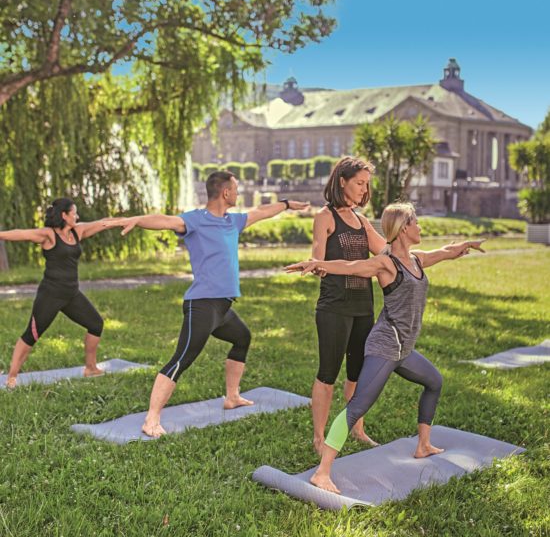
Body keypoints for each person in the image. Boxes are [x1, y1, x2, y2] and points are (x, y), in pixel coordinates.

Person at [285, 202, 485, 493]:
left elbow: (443, 253)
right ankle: (322, 472)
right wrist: (318, 264)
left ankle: (424, 445)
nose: (420, 227)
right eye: (415, 222)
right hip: (385, 346)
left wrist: (464, 245)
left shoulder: (415, 260)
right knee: (356, 408)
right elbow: (351, 266)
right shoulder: (387, 263)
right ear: (404, 228)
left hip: (403, 348)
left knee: (434, 381)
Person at [112, 170, 308, 438]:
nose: (238, 194)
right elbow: (166, 221)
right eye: (236, 189)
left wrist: (286, 205)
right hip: (202, 305)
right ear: (225, 193)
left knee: (242, 338)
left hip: (222, 308)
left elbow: (262, 211)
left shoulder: (233, 221)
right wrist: (137, 220)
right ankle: (151, 419)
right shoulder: (195, 220)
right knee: (181, 359)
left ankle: (232, 396)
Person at [0, 198, 120, 388]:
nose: (77, 216)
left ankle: (90, 368)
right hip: (50, 295)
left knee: (96, 324)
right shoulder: (49, 235)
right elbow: (22, 233)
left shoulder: (77, 231)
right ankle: (12, 377)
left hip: (72, 294)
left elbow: (101, 223)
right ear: (64, 215)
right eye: (74, 213)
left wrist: (125, 221)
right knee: (31, 335)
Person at [311, 156, 386, 454]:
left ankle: (357, 428)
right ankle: (319, 438)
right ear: (342, 181)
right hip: (334, 307)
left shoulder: (361, 221)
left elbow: (387, 252)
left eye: (366, 184)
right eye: (359, 183)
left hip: (362, 308)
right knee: (328, 373)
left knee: (357, 373)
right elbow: (318, 255)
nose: (363, 189)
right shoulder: (326, 216)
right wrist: (318, 265)